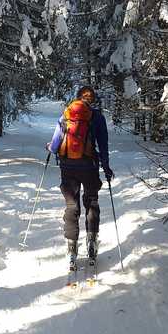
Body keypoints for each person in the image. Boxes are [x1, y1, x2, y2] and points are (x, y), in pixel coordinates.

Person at [47, 86, 114, 270]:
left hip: (68, 166)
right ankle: (92, 243)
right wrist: (106, 166)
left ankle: (71, 249)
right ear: (92, 100)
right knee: (91, 202)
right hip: (89, 166)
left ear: (77, 98)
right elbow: (103, 144)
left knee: (71, 206)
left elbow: (55, 144)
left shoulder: (66, 114)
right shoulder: (97, 117)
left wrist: (50, 148)